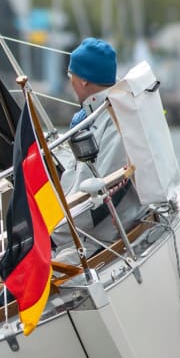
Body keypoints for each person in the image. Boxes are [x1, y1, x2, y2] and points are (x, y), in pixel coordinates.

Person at [60, 37, 143, 249]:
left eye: (71, 74)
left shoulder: (114, 119)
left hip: (101, 238)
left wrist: (54, 235)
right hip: (80, 230)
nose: (70, 81)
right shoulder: (92, 116)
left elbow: (104, 195)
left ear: (84, 80)